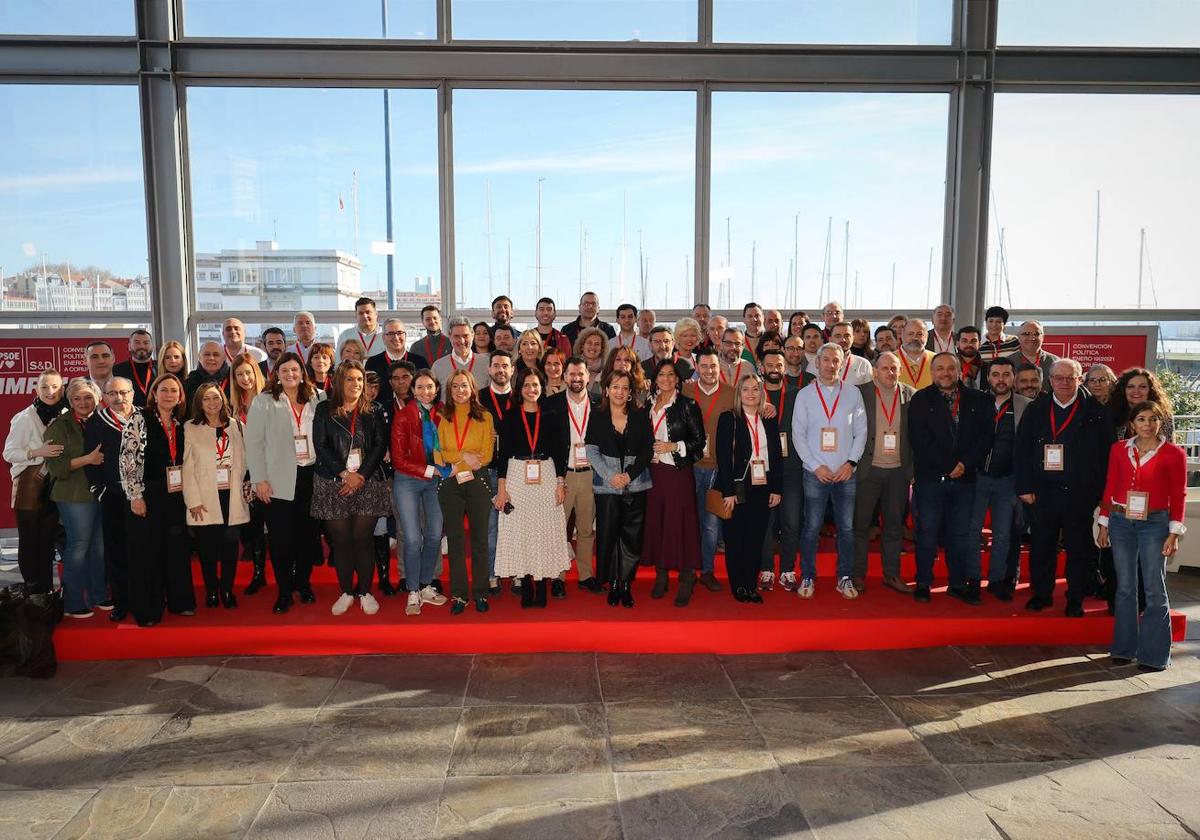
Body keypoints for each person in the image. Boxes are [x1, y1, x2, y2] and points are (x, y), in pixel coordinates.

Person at [1016, 358, 1114, 616]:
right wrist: (1024, 486)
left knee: (1079, 549)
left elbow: (1108, 456)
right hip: (1043, 491)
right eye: (1058, 378)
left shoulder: (1097, 412)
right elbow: (1022, 450)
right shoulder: (1036, 409)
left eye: (1070, 377)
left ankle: (1075, 598)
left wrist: (1102, 493)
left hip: (1081, 493)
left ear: (1080, 379)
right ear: (1049, 381)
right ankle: (1042, 594)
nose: (1064, 383)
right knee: (1041, 546)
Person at [1097, 401, 1186, 672]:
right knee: (1125, 587)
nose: (1147, 425)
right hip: (1121, 520)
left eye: (1153, 419)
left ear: (1161, 423)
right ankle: (1124, 648)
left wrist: (1174, 532)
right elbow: (1111, 484)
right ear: (1132, 423)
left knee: (1154, 588)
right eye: (1141, 419)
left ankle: (1155, 655)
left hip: (1155, 524)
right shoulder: (1118, 450)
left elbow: (1178, 494)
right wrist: (1104, 522)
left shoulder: (1173, 454)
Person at [908, 353, 994, 604]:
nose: (945, 373)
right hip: (931, 479)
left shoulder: (980, 399)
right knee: (927, 532)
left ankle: (957, 583)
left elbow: (985, 437)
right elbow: (919, 439)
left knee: (960, 534)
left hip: (965, 480)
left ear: (959, 371)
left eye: (950, 368)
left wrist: (965, 464)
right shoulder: (921, 399)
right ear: (932, 373)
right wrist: (948, 466)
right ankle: (923, 582)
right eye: (939, 369)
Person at [245, 352, 327, 614]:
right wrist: (259, 479)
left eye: (294, 370)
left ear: (302, 372)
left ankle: (302, 584)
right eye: (284, 371)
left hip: (311, 476)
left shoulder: (318, 398)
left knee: (307, 537)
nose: (290, 375)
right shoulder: (264, 401)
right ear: (276, 375)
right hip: (278, 479)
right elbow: (254, 444)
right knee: (280, 540)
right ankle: (283, 592)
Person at [311, 360, 391, 616]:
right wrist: (345, 474)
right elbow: (320, 445)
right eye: (350, 379)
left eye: (359, 380)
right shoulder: (324, 409)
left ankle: (365, 592)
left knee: (362, 539)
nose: (356, 384)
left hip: (368, 482)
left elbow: (380, 445)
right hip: (332, 482)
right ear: (339, 382)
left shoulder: (374, 410)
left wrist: (360, 476)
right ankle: (346, 592)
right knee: (342, 542)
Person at [792, 343, 867, 600]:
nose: (831, 365)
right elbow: (798, 435)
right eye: (826, 360)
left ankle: (844, 577)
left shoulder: (853, 393)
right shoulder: (804, 395)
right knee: (811, 528)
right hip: (815, 473)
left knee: (846, 529)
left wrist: (851, 463)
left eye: (836, 360)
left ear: (842, 363)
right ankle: (808, 576)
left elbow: (861, 432)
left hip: (846, 473)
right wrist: (815, 466)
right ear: (817, 363)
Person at [119, 373, 194, 625]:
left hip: (175, 495)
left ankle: (180, 602)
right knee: (146, 553)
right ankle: (147, 610)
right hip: (147, 494)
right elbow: (128, 460)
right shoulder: (139, 419)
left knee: (176, 550)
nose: (169, 395)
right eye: (164, 390)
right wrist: (135, 495)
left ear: (180, 396)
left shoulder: (180, 423)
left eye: (174, 390)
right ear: (154, 393)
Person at [493, 367, 571, 608]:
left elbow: (560, 451)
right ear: (519, 389)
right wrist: (502, 488)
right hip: (517, 474)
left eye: (535, 385)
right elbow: (502, 454)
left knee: (544, 530)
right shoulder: (511, 416)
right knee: (522, 530)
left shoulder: (551, 415)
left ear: (542, 387)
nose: (531, 389)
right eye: (526, 385)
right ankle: (526, 583)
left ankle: (543, 584)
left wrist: (560, 482)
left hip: (546, 474)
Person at [586, 370, 653, 607]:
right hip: (607, 486)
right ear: (606, 390)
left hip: (637, 484)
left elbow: (648, 450)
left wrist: (629, 475)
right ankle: (613, 583)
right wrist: (611, 476)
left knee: (632, 538)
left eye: (625, 388)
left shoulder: (640, 415)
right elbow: (591, 450)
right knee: (608, 536)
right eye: (615, 387)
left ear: (630, 393)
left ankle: (626, 583)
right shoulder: (597, 415)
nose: (620, 392)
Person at [642, 358, 706, 606]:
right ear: (655, 378)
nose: (666, 379)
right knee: (657, 524)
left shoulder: (687, 405)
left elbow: (698, 443)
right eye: (662, 375)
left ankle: (687, 577)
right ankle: (661, 574)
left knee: (680, 525)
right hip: (653, 473)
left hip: (677, 473)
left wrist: (674, 446)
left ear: (677, 379)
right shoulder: (648, 404)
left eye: (671, 375)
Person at [852, 352, 916, 596]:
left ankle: (892, 574)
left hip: (899, 471)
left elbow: (916, 435)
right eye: (886, 368)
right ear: (874, 371)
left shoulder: (910, 394)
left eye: (895, 368)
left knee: (893, 527)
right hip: (868, 469)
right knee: (860, 526)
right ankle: (857, 574)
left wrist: (912, 470)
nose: (891, 372)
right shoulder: (859, 393)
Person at [716, 373, 783, 603]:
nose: (751, 394)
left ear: (762, 392)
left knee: (756, 538)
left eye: (756, 389)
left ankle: (750, 585)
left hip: (763, 484)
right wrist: (728, 491)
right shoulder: (729, 419)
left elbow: (776, 456)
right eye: (746, 389)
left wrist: (777, 488)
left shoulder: (769, 418)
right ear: (738, 393)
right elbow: (723, 458)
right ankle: (738, 587)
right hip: (737, 486)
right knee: (735, 539)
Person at [181, 382, 249, 609]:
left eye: (216, 397)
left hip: (232, 496)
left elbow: (246, 460)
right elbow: (187, 468)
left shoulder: (236, 426)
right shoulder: (191, 427)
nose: (212, 403)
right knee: (208, 550)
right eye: (207, 399)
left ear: (223, 399)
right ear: (199, 403)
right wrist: (193, 500)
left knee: (230, 547)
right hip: (205, 497)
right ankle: (211, 589)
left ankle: (227, 589)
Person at [969, 357, 1031, 602]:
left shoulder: (1026, 406)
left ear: (1013, 377)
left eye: (1006, 374)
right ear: (988, 378)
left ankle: (996, 580)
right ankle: (972, 580)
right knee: (972, 531)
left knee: (1003, 533)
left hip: (1008, 479)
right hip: (976, 479)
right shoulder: (975, 403)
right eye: (996, 375)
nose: (1001, 380)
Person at [391, 370, 451, 616]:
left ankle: (426, 585)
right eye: (420, 387)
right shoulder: (403, 416)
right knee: (413, 538)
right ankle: (413, 590)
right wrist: (431, 470)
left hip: (434, 481)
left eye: (430, 387)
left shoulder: (443, 412)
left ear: (436, 389)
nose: (425, 392)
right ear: (413, 390)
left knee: (435, 534)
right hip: (408, 480)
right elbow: (398, 459)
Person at [46, 379, 107, 618]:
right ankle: (72, 603)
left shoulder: (103, 421)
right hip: (73, 494)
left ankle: (98, 595)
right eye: (77, 398)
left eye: (88, 397)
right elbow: (56, 467)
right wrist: (87, 460)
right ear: (70, 401)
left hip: (100, 493)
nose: (83, 402)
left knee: (99, 547)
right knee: (78, 546)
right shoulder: (59, 426)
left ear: (97, 398)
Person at [435, 370, 495, 614]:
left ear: (473, 389)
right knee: (456, 541)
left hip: (478, 482)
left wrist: (463, 459)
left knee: (480, 540)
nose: (460, 391)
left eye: (465, 386)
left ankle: (481, 592)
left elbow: (486, 455)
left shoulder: (485, 417)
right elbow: (439, 453)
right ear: (449, 391)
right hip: (450, 483)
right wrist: (463, 457)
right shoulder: (442, 417)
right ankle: (459, 595)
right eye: (455, 386)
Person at [5, 369, 66, 596]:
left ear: (62, 389)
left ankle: (46, 592)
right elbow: (9, 453)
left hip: (55, 485)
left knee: (47, 541)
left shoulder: (66, 414)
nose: (50, 392)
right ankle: (33, 593)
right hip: (29, 486)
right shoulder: (24, 417)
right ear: (36, 389)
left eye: (55, 387)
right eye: (45, 387)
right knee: (30, 541)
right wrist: (37, 452)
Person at [84, 376, 136, 622]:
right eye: (113, 393)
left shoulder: (143, 418)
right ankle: (122, 601)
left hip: (143, 495)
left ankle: (145, 597)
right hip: (113, 496)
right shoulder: (97, 422)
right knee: (116, 552)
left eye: (123, 393)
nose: (119, 398)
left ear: (132, 394)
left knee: (143, 549)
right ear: (104, 397)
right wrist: (100, 491)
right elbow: (91, 459)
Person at [682, 347, 734, 593]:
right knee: (690, 520)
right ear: (697, 367)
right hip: (689, 467)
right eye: (704, 366)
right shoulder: (686, 390)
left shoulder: (731, 394)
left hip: (717, 467)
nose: (709, 371)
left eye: (713, 366)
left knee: (711, 524)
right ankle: (689, 569)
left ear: (719, 367)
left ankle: (707, 570)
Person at [546, 356, 600, 593]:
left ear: (588, 377)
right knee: (558, 529)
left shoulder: (600, 404)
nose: (576, 378)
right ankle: (557, 577)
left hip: (590, 474)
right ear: (564, 376)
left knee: (586, 529)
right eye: (572, 374)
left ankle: (585, 575)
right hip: (562, 476)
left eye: (581, 374)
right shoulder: (551, 403)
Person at [229, 353, 269, 595]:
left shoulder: (271, 400)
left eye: (248, 372)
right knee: (253, 527)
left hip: (271, 471)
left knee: (278, 524)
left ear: (256, 373)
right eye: (239, 374)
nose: (245, 378)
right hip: (244, 473)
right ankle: (258, 573)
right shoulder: (233, 406)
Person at [480, 351, 516, 594]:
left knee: (515, 525)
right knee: (490, 527)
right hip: (487, 470)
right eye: (496, 366)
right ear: (489, 370)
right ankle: (492, 574)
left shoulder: (524, 396)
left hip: (516, 471)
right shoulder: (478, 398)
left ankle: (516, 574)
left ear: (512, 370)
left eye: (505, 366)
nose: (501, 370)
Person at [1109, 367, 1175, 442]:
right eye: (1131, 387)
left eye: (1142, 387)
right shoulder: (1113, 413)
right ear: (1123, 390)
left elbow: (1169, 444)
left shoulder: (1163, 415)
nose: (1136, 391)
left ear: (1151, 390)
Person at [432, 317, 490, 390]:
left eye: (465, 336)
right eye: (456, 336)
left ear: (472, 335)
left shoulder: (487, 363)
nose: (462, 341)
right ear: (450, 337)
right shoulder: (438, 366)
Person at [1008, 321, 1058, 390]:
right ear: (1019, 338)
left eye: (1036, 334)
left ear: (1043, 337)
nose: (1032, 338)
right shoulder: (1008, 363)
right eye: (1026, 334)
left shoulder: (1056, 362)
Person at [113, 328, 155, 407]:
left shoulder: (162, 367)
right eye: (137, 343)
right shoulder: (116, 371)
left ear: (152, 346)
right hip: (128, 416)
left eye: (146, 343)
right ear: (129, 346)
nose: (142, 346)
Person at [897, 319, 935, 390]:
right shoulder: (890, 359)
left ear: (927, 336)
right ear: (902, 335)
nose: (915, 338)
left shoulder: (937, 359)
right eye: (910, 334)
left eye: (920, 334)